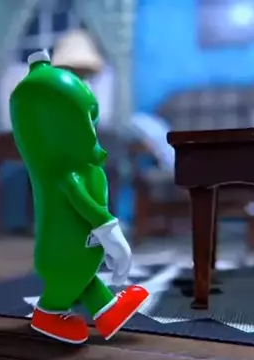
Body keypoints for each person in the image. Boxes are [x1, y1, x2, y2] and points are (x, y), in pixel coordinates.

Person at [9, 50, 149, 344]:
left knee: (82, 275)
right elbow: (85, 205)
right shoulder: (67, 175)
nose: (91, 129)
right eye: (84, 120)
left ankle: (106, 309)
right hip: (63, 254)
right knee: (71, 277)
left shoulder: (78, 167)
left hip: (73, 251)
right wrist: (111, 233)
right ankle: (48, 312)